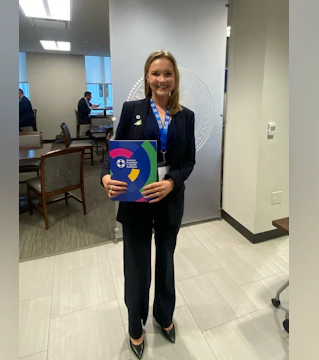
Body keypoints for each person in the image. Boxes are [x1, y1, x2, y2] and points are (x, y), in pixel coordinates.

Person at [100, 50, 196, 359]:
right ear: (147, 77)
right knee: (137, 266)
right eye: (156, 73)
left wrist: (171, 182)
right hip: (136, 201)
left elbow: (189, 161)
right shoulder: (132, 110)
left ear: (174, 78)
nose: (162, 79)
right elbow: (114, 151)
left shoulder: (186, 116)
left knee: (165, 261)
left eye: (168, 73)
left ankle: (163, 315)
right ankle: (135, 324)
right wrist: (105, 176)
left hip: (168, 200)